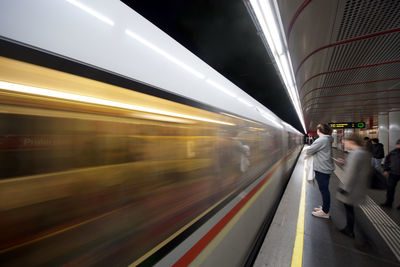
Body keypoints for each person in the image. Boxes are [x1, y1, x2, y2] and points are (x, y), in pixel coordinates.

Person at [336, 134, 371, 238]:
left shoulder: (355, 154)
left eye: (345, 142)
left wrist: (344, 189)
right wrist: (345, 162)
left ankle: (354, 232)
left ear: (351, 141)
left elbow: (350, 174)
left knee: (348, 209)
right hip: (359, 187)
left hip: (352, 188)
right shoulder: (364, 152)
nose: (344, 144)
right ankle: (350, 229)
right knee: (349, 209)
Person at [306, 123, 335, 218]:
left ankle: (325, 212)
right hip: (325, 167)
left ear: (319, 131)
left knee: (324, 190)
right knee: (324, 190)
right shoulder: (327, 139)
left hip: (322, 168)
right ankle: (324, 208)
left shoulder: (321, 140)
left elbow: (309, 151)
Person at [381, 139, 400, 209]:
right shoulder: (392, 153)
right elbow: (387, 161)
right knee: (390, 189)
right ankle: (388, 202)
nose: (399, 145)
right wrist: (386, 169)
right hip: (393, 173)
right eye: (398, 144)